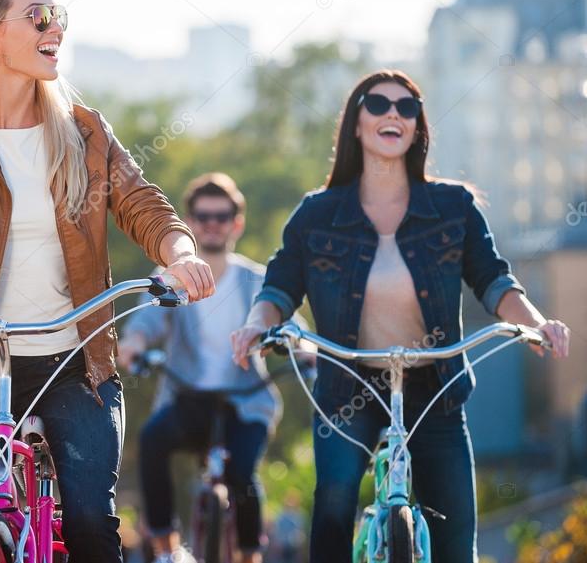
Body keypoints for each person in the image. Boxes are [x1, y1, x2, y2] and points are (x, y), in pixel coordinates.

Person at [0, 0, 215, 562]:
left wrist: (180, 252)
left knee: (89, 523)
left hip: (73, 364)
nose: (53, 26)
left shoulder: (82, 132)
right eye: (36, 16)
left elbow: (141, 204)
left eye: (58, 15)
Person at [230, 70, 571, 563]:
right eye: (378, 104)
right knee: (334, 503)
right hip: (347, 387)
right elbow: (279, 288)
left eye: (407, 107)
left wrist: (535, 324)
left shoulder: (453, 207)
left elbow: (494, 280)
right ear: (356, 123)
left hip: (435, 387)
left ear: (416, 127)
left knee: (456, 541)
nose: (394, 112)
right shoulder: (316, 215)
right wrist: (255, 325)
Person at [119, 172, 300, 563]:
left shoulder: (257, 281)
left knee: (243, 477)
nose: (213, 224)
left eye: (223, 215)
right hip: (188, 398)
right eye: (203, 216)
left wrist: (303, 352)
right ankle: (166, 548)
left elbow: (291, 328)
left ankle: (249, 555)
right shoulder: (169, 279)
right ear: (190, 223)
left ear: (238, 222)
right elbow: (144, 325)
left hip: (246, 403)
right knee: (152, 441)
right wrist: (133, 345)